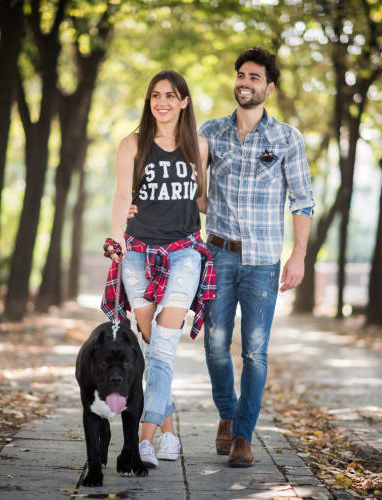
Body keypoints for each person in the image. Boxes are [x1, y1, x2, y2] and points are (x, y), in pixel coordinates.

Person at [199, 47, 314, 467]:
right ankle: (227, 416)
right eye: (240, 75)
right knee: (214, 346)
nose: (244, 83)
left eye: (254, 77)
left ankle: (243, 436)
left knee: (254, 353)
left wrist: (297, 257)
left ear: (269, 86)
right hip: (218, 255)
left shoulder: (288, 139)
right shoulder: (209, 132)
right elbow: (188, 186)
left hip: (264, 262)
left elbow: (302, 202)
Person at [101, 70, 216, 469]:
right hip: (138, 253)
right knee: (153, 350)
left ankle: (142, 441)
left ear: (184, 101)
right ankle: (169, 433)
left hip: (185, 251)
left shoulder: (199, 147)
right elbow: (120, 195)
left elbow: (202, 200)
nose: (162, 101)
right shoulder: (132, 144)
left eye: (170, 95)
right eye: (155, 95)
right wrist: (117, 234)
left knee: (164, 347)